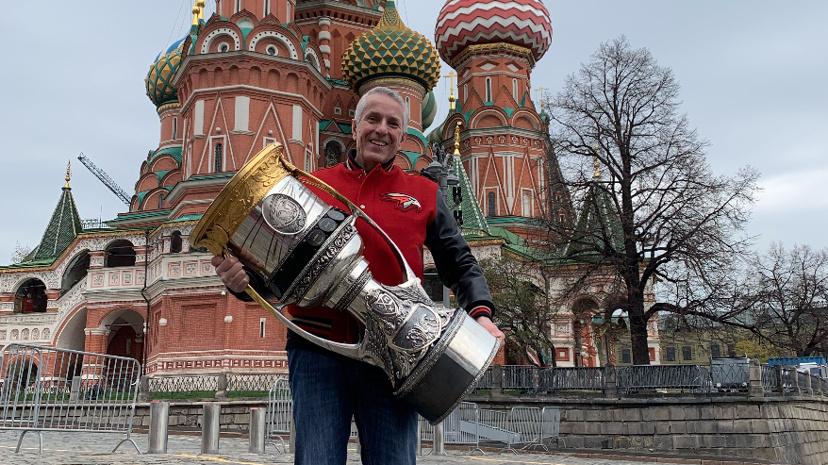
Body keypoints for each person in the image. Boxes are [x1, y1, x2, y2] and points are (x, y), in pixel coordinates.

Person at [212, 86, 504, 465]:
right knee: (317, 459)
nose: (381, 130)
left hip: (398, 357)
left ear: (403, 135)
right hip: (318, 351)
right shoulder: (310, 185)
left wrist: (481, 312)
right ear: (355, 126)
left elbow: (459, 262)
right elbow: (273, 274)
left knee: (393, 460)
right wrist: (241, 284)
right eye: (373, 119)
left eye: (392, 123)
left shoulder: (424, 193)